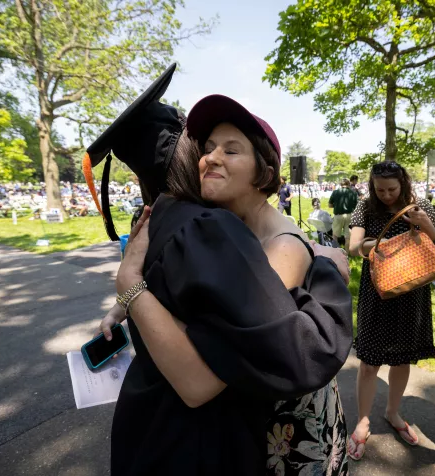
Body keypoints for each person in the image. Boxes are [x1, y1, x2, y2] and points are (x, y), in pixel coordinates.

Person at [84, 66, 352, 476]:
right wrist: (126, 300)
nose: (210, 158)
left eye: (231, 150)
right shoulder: (217, 227)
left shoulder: (270, 245)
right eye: (207, 146)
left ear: (264, 171)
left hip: (284, 427)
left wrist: (132, 291)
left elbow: (220, 363)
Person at [346, 161, 435, 460]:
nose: (386, 195)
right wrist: (377, 244)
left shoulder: (420, 205)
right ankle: (363, 421)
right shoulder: (365, 208)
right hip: (377, 291)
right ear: (372, 187)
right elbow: (353, 248)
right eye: (380, 190)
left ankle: (393, 412)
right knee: (369, 361)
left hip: (411, 290)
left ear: (403, 184)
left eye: (392, 189)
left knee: (402, 359)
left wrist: (423, 223)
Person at [329, 178, 358, 247]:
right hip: (350, 215)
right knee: (347, 237)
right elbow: (356, 206)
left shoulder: (335, 192)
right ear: (349, 184)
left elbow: (330, 205)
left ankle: (335, 252)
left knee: (335, 235)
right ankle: (347, 255)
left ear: (340, 184)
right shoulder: (353, 192)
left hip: (338, 215)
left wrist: (337, 205)